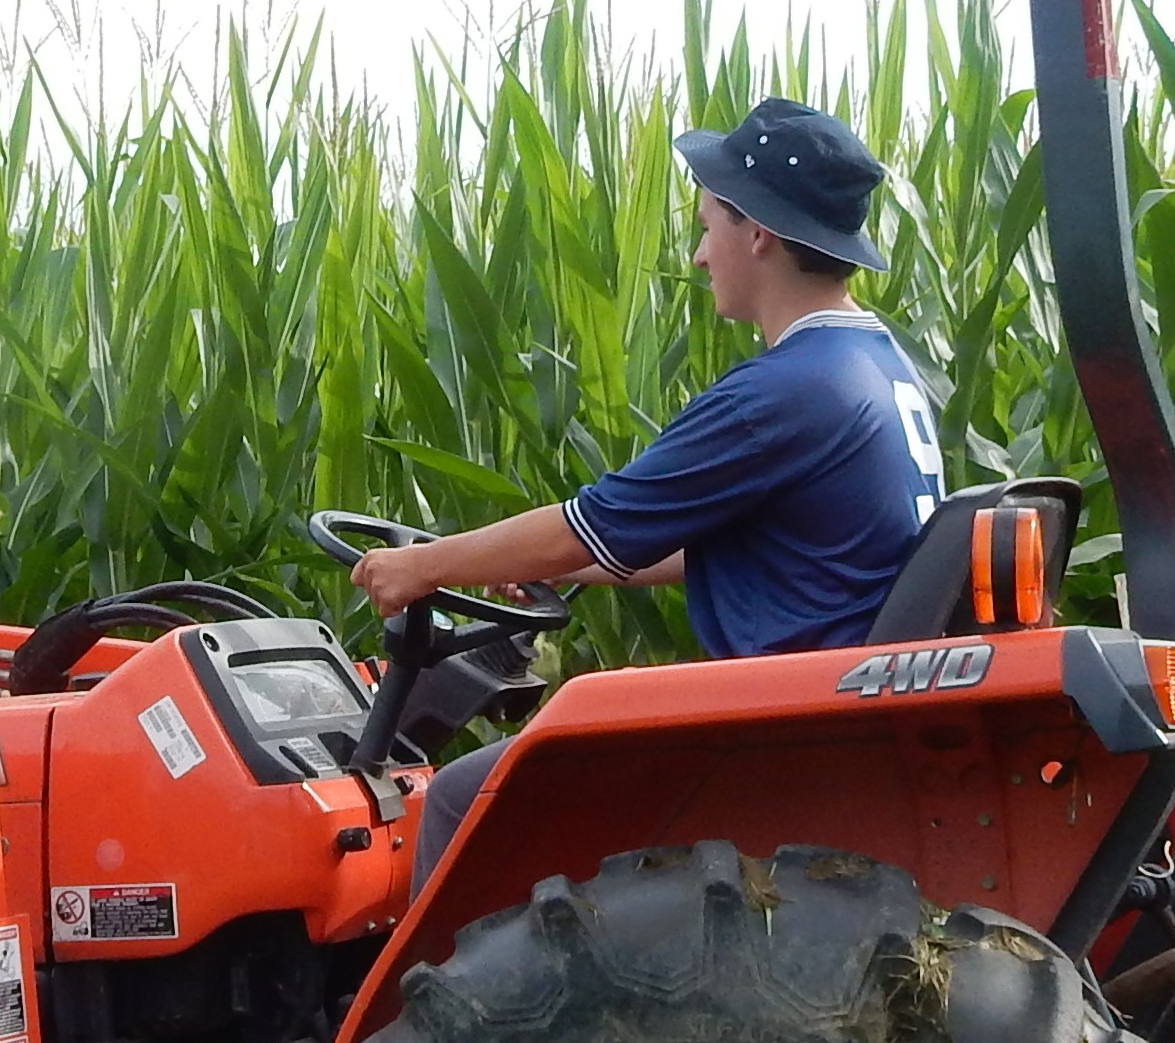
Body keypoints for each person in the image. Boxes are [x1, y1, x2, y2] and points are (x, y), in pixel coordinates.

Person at [351, 97, 944, 888]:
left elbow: (588, 523)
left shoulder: (787, 392)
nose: (700, 255)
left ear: (758, 234)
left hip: (789, 730)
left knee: (466, 796)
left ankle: (423, 1008)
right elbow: (763, 549)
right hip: (841, 709)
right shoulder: (877, 364)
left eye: (708, 227)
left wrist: (422, 567)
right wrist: (568, 569)